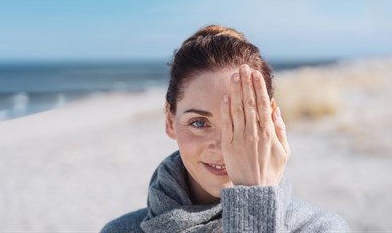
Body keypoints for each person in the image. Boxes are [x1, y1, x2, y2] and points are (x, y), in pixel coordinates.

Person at [102, 25, 350, 232]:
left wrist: (254, 195)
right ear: (170, 121)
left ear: (271, 121)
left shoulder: (321, 228)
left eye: (238, 122)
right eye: (199, 123)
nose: (224, 147)